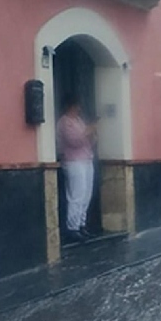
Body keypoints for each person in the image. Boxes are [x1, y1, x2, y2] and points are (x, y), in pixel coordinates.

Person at [57, 95, 97, 243]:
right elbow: (75, 141)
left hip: (86, 159)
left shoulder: (79, 121)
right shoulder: (65, 122)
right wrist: (89, 130)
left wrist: (92, 134)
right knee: (76, 194)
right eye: (76, 106)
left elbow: (88, 141)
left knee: (86, 194)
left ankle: (81, 224)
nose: (78, 109)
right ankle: (72, 227)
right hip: (73, 161)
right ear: (69, 107)